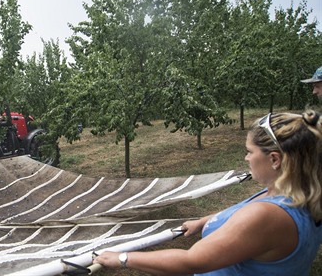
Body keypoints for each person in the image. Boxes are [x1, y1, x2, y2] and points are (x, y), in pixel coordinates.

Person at [94, 110, 322, 275]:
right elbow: (245, 211)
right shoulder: (299, 194)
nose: (246, 158)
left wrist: (122, 258)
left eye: (249, 152)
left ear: (274, 159)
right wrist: (203, 221)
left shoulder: (266, 216)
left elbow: (191, 262)